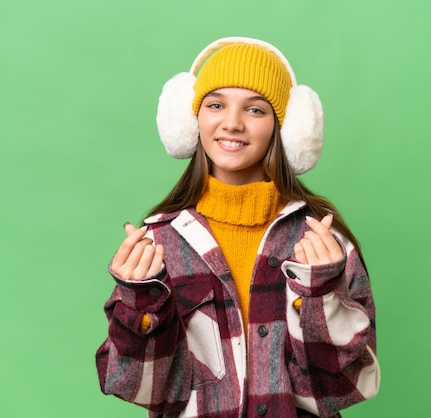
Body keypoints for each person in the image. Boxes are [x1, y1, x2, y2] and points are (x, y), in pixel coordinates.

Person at [95, 37, 380, 418]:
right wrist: (140, 303)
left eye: (256, 110)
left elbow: (341, 389)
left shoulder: (323, 244)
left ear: (286, 128)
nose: (232, 122)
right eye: (215, 105)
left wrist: (320, 294)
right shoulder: (159, 243)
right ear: (189, 119)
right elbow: (141, 389)